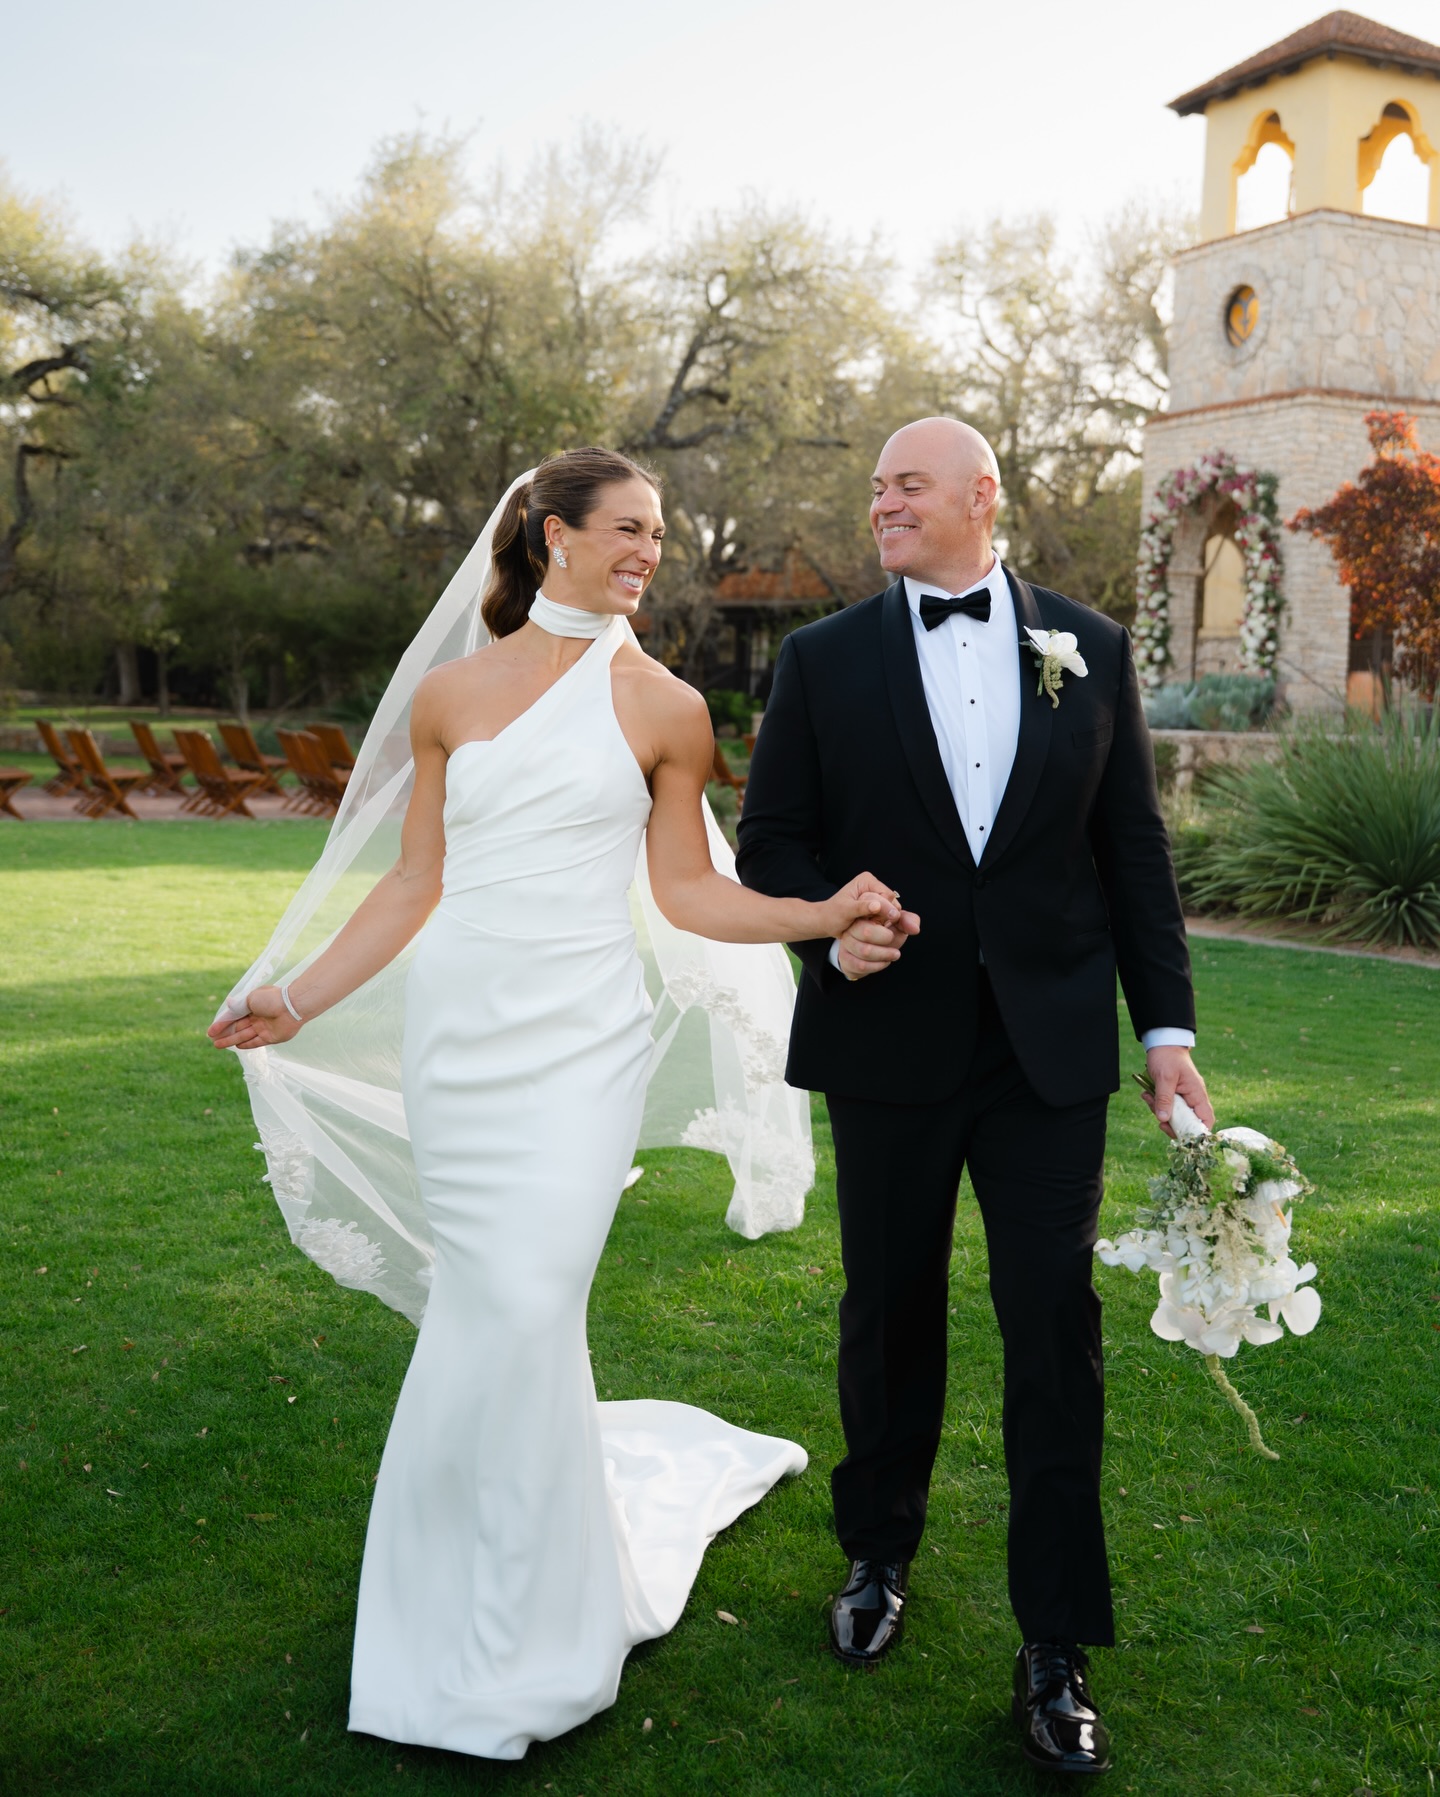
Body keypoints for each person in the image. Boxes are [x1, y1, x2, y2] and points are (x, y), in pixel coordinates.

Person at [208, 447, 902, 1761]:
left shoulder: (668, 708)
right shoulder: (453, 695)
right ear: (553, 532)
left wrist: (816, 911)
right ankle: (443, 1615)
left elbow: (692, 890)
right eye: (629, 528)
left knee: (528, 1299)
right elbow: (412, 883)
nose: (650, 550)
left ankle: (532, 1631)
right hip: (460, 1039)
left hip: (584, 1045)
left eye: (659, 533)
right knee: (492, 1308)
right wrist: (296, 996)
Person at [735, 417, 1213, 1777]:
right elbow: (774, 845)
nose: (879, 500)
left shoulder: (1091, 649)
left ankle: (1055, 1642)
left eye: (904, 482)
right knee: (887, 1306)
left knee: (1052, 1325)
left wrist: (1164, 1029)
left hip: (1048, 1054)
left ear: (980, 498)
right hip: (887, 1041)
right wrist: (829, 931)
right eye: (877, 485)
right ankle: (879, 1551)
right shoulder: (822, 661)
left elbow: (1133, 854)